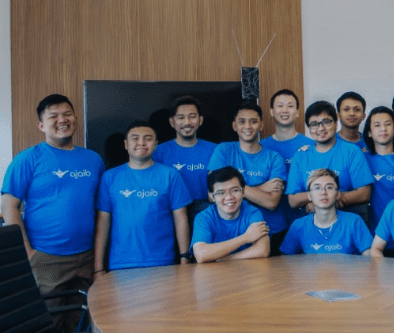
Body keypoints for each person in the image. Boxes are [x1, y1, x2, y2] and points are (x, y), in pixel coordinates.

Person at [1, 94, 105, 333]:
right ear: (41, 125)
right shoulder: (28, 159)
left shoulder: (93, 160)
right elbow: (8, 207)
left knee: (82, 328)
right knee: (48, 329)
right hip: (45, 258)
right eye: (53, 116)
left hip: (86, 257)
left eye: (67, 114)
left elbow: (100, 210)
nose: (62, 120)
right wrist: (29, 255)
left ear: (75, 118)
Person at [94, 121, 191, 273]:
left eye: (148, 138)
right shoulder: (110, 177)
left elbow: (181, 218)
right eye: (135, 138)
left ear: (156, 144)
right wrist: (98, 268)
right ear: (126, 144)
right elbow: (103, 223)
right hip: (121, 264)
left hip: (163, 262)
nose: (141, 143)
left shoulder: (170, 175)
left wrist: (185, 258)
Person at [208, 101, 288, 252]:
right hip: (234, 232)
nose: (247, 126)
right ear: (234, 126)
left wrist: (234, 190)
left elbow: (271, 202)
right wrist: (260, 188)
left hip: (272, 230)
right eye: (242, 121)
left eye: (253, 121)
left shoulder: (274, 158)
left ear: (261, 125)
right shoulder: (224, 150)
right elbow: (213, 195)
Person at [286, 100, 374, 213]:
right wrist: (319, 200)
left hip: (347, 218)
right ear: (309, 129)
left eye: (326, 122)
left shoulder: (352, 152)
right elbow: (293, 200)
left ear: (336, 124)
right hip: (311, 220)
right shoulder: (300, 156)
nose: (321, 128)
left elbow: (364, 193)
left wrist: (326, 203)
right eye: (314, 124)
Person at [279, 169, 373, 256]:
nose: (323, 192)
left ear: (338, 194)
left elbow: (370, 259)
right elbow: (285, 262)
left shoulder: (354, 222)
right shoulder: (298, 226)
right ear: (310, 195)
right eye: (317, 188)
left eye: (329, 187)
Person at [191, 167, 270, 263]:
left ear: (243, 192)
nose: (229, 197)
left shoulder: (253, 213)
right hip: (213, 271)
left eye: (235, 190)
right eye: (221, 193)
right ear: (212, 197)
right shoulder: (203, 218)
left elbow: (263, 250)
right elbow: (201, 255)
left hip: (247, 269)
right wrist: (246, 237)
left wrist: (225, 259)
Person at [260, 89, 314, 227]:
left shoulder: (311, 145)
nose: (285, 110)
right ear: (271, 111)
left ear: (297, 112)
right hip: (270, 222)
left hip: (305, 219)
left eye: (290, 106)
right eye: (280, 106)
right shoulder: (261, 147)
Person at [151, 96, 217, 203]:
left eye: (192, 117)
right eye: (180, 117)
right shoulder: (158, 153)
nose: (187, 122)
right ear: (172, 122)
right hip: (171, 209)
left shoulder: (215, 150)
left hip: (207, 209)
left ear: (200, 120)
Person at [362, 106, 394, 227]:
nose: (383, 129)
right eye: (377, 125)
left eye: (388, 124)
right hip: (374, 230)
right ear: (369, 132)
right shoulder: (362, 159)